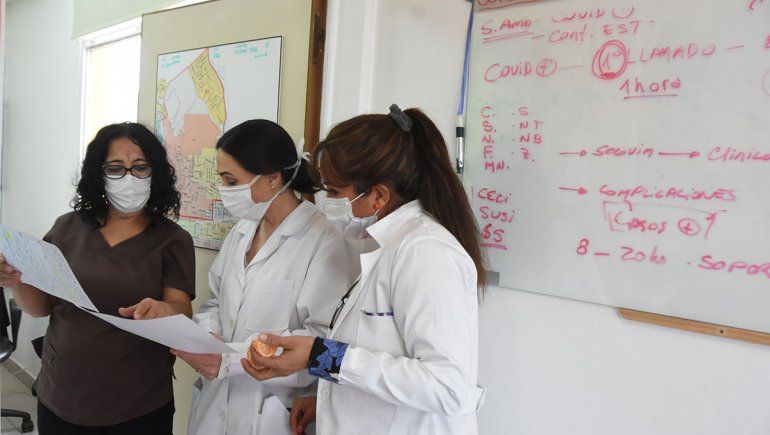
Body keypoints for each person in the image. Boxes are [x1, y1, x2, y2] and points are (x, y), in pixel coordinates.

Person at [241, 105, 487, 435]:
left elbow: (447, 386)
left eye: (334, 192)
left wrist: (322, 356)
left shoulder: (426, 252)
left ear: (378, 196)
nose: (326, 200)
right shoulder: (385, 245)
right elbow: (381, 356)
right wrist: (327, 401)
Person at [0, 122, 195, 434]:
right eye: (115, 169)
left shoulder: (172, 239)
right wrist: (15, 278)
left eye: (140, 167)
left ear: (155, 172)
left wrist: (165, 310)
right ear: (98, 174)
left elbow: (182, 308)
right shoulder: (67, 228)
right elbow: (40, 308)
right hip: (63, 392)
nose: (129, 178)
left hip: (139, 401)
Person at [173, 120, 350, 435]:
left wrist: (229, 359)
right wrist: (207, 338)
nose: (224, 190)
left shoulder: (324, 238)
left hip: (271, 411)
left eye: (231, 181)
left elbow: (320, 337)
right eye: (222, 179)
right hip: (213, 408)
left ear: (272, 178)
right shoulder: (242, 230)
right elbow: (216, 302)